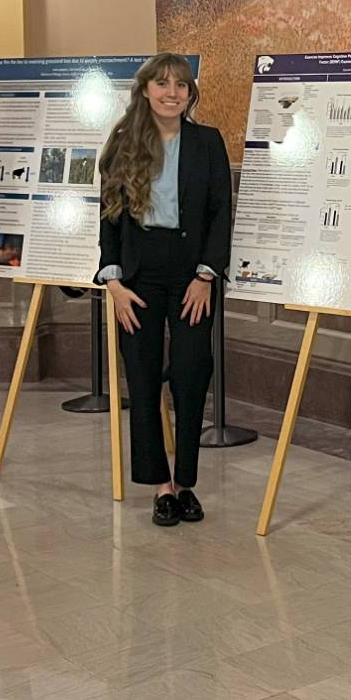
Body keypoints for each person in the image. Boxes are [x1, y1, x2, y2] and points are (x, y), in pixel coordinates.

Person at [95, 55, 231, 526]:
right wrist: (112, 282)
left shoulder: (208, 142)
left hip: (193, 273)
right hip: (137, 276)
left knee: (193, 372)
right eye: (162, 83)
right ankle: (161, 487)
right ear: (145, 89)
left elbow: (220, 214)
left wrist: (207, 274)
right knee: (144, 377)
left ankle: (187, 480)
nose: (172, 92)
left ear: (190, 93)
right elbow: (109, 219)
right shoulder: (121, 143)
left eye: (181, 85)